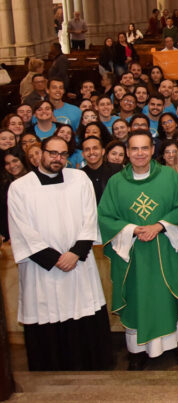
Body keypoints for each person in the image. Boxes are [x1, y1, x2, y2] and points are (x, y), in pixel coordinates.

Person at [7, 136, 113, 370]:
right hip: (42, 269)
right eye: (52, 153)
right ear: (39, 154)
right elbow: (21, 229)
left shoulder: (79, 179)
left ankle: (91, 366)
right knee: (47, 313)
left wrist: (76, 252)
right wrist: (54, 259)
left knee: (83, 309)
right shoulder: (20, 188)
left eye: (63, 154)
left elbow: (90, 217)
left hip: (78, 263)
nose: (57, 159)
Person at [97, 131, 178, 370]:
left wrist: (159, 226)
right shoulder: (117, 182)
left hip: (165, 248)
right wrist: (133, 229)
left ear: (152, 150)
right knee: (137, 297)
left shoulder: (169, 176)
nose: (139, 153)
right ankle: (136, 351)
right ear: (127, 153)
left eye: (144, 148)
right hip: (133, 253)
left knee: (168, 297)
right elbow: (105, 217)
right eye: (134, 149)